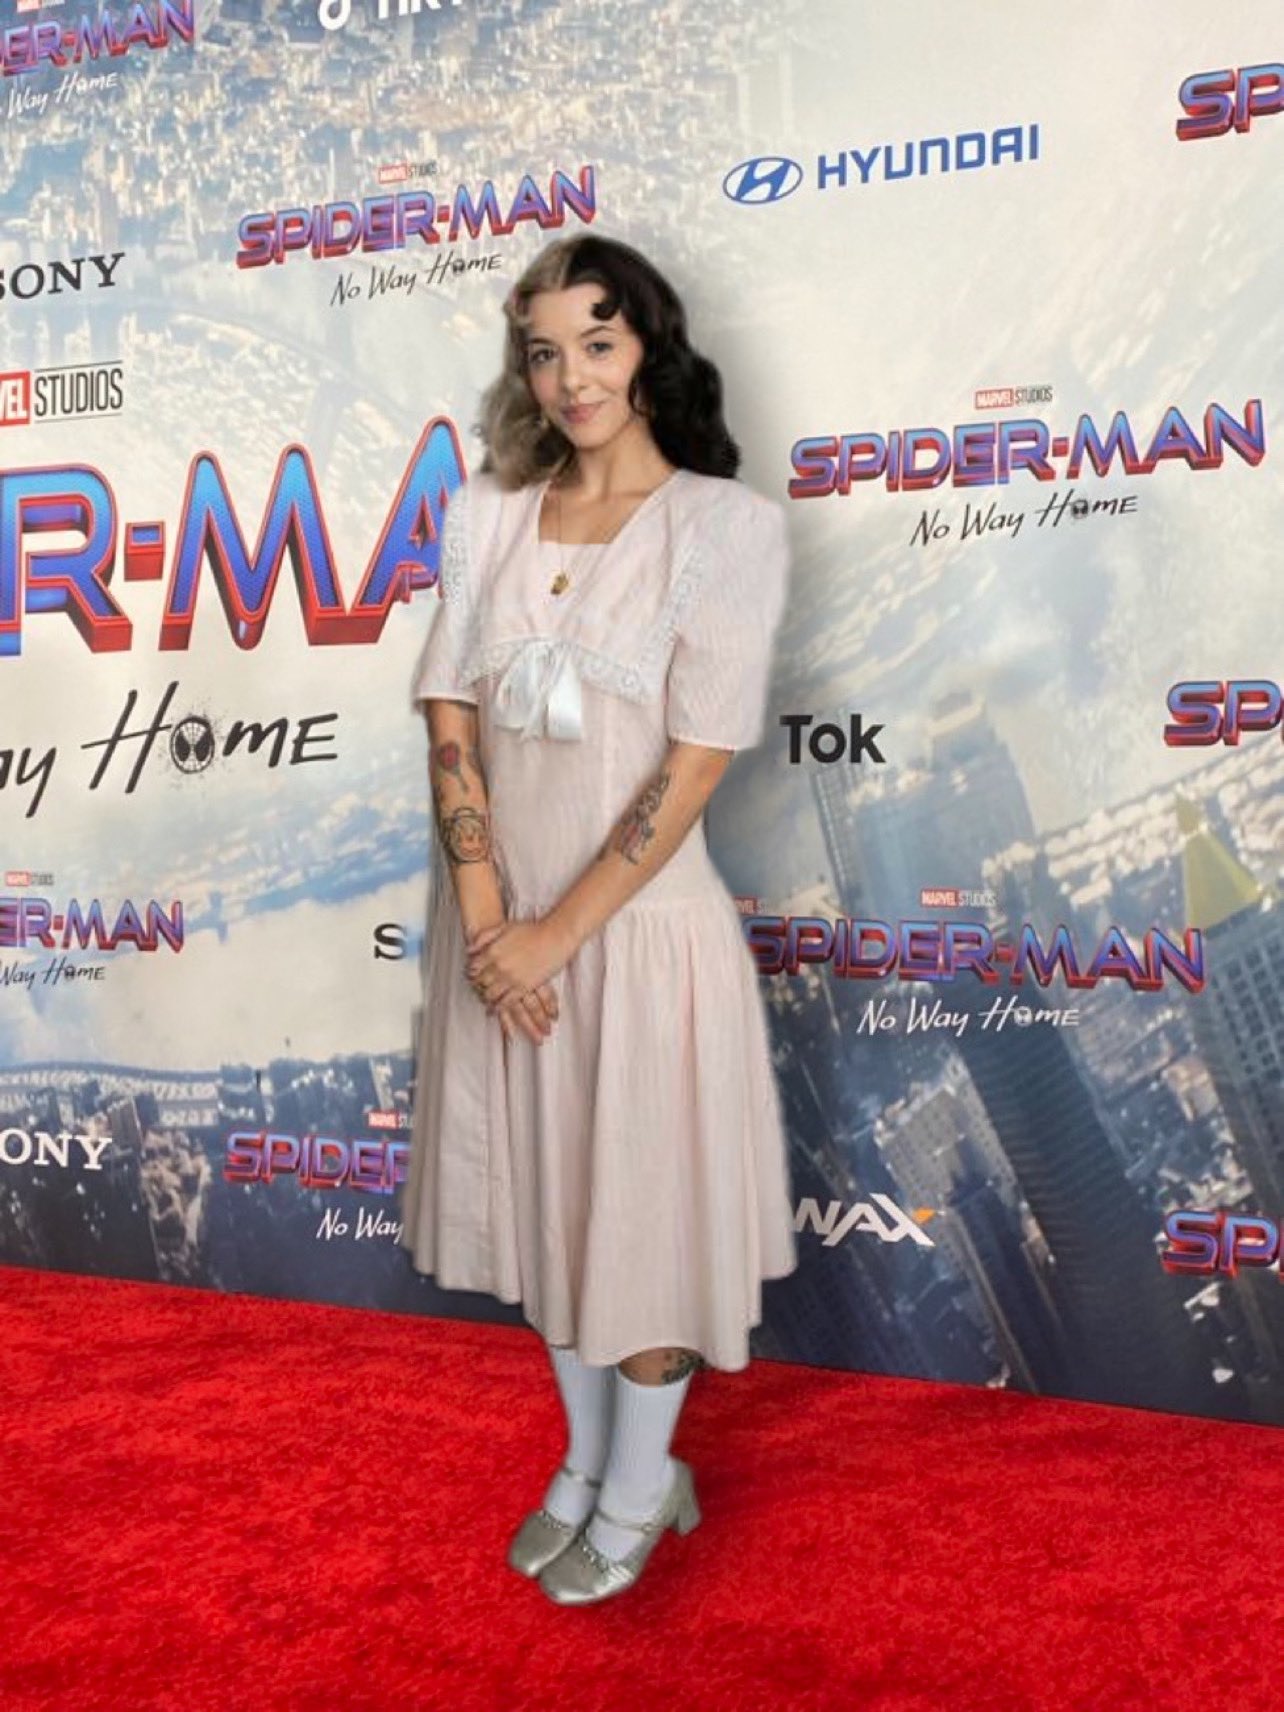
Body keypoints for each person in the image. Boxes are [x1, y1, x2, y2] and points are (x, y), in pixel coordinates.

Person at [398, 233, 797, 1605]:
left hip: (637, 946)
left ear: (649, 352)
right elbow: (451, 720)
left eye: (599, 343)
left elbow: (693, 768)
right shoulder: (488, 517)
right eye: (543, 351)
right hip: (501, 940)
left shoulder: (725, 529)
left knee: (643, 1236)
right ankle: (583, 1461)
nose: (570, 378)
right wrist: (491, 928)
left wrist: (550, 940)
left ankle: (641, 1483)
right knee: (551, 1229)